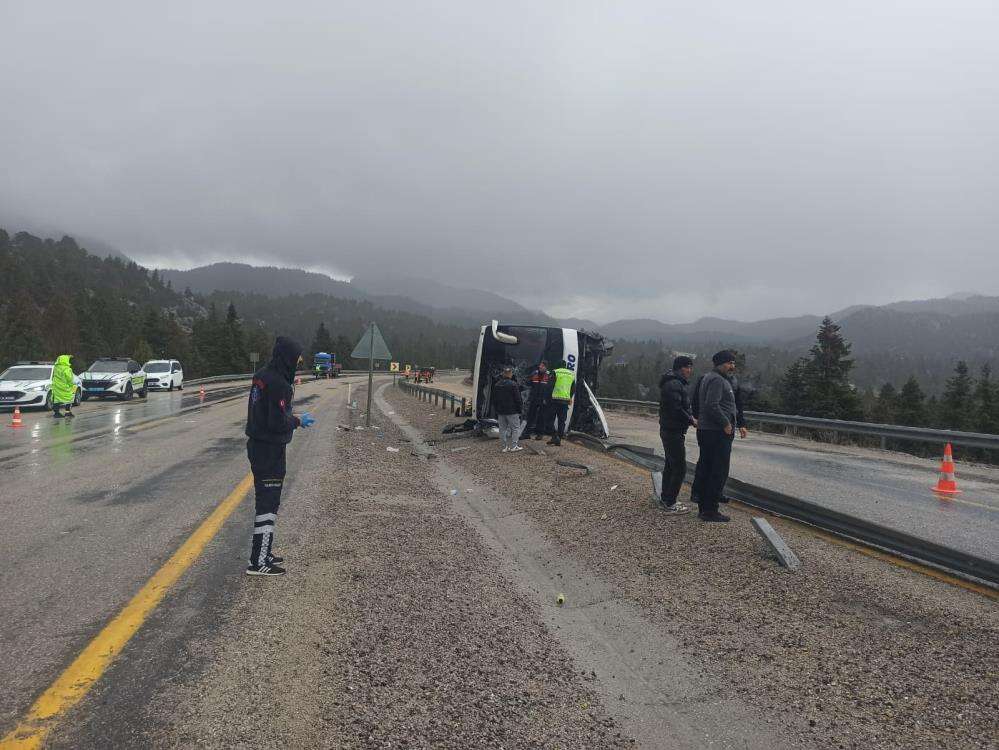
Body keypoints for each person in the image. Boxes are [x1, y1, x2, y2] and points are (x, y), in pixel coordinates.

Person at [244, 336, 315, 576]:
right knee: (268, 504)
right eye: (297, 359)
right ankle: (259, 561)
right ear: (287, 358)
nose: (298, 363)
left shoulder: (262, 375)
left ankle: (264, 551)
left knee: (265, 500)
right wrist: (296, 421)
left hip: (257, 445)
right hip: (269, 450)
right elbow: (276, 422)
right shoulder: (279, 384)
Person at [690, 361, 749, 505]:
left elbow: (737, 404)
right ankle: (698, 493)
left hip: (726, 427)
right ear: (721, 364)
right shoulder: (710, 379)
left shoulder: (733, 382)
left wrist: (741, 423)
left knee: (719, 465)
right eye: (730, 363)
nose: (733, 367)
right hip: (713, 427)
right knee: (707, 463)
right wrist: (698, 418)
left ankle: (716, 493)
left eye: (734, 363)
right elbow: (699, 400)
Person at [658, 356, 696, 514]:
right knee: (680, 468)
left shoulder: (673, 382)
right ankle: (671, 503)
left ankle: (665, 498)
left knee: (670, 465)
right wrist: (691, 420)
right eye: (687, 367)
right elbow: (676, 408)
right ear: (680, 368)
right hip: (673, 431)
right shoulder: (674, 384)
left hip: (670, 430)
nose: (689, 370)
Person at [492, 366, 524, 452]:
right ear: (510, 374)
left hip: (501, 411)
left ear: (503, 374)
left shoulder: (497, 384)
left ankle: (504, 447)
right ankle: (514, 446)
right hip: (512, 411)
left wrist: (496, 409)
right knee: (515, 428)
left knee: (502, 429)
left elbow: (494, 399)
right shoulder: (513, 384)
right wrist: (520, 409)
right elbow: (518, 399)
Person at [547, 360, 576, 446]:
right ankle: (558, 439)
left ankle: (554, 436)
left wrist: (547, 398)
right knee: (562, 421)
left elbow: (550, 386)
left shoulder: (555, 372)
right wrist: (569, 397)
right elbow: (573, 389)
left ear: (558, 365)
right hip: (565, 401)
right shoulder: (571, 374)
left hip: (554, 400)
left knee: (549, 419)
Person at [523, 360, 552, 440]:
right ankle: (527, 433)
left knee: (541, 417)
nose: (540, 367)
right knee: (530, 416)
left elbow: (551, 388)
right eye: (540, 366)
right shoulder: (534, 373)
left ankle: (540, 434)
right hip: (534, 398)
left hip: (543, 399)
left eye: (542, 366)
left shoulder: (549, 375)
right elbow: (528, 383)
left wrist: (547, 399)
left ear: (546, 367)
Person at [51, 354, 77, 419]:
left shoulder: (56, 367)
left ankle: (56, 413)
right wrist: (72, 385)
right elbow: (69, 379)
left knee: (56, 400)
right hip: (65, 387)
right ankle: (67, 412)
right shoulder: (67, 369)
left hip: (56, 386)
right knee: (70, 398)